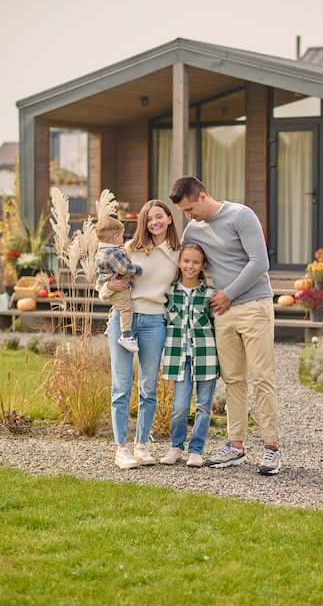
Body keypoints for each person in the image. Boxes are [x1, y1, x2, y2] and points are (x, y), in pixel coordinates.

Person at [169, 176, 281, 476]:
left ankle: (271, 449)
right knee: (232, 379)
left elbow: (260, 263)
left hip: (253, 306)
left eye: (190, 209)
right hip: (221, 312)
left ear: (203, 196)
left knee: (262, 378)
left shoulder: (241, 215)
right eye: (183, 212)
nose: (188, 216)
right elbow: (180, 262)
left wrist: (228, 293)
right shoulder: (193, 229)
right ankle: (236, 446)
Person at [97, 200, 180, 469]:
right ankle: (122, 449)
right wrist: (109, 285)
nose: (154, 222)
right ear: (143, 222)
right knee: (121, 387)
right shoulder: (129, 249)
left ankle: (142, 445)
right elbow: (102, 290)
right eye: (149, 218)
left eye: (159, 216)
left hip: (155, 322)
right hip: (123, 321)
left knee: (148, 388)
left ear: (169, 218)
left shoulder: (178, 254)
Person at [160, 243, 219, 468]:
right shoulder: (170, 292)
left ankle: (196, 450)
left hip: (206, 357)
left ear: (203, 265)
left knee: (204, 405)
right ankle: (176, 447)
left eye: (196, 262)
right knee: (180, 406)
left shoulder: (209, 294)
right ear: (179, 263)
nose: (190, 266)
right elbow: (164, 321)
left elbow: (216, 327)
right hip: (179, 358)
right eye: (186, 261)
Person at [95, 216, 142, 353]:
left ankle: (110, 326)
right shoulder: (112, 253)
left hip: (108, 285)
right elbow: (123, 268)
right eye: (122, 236)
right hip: (117, 287)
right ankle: (126, 336)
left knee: (120, 306)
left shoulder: (103, 250)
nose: (123, 240)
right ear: (115, 237)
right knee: (126, 308)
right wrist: (136, 269)